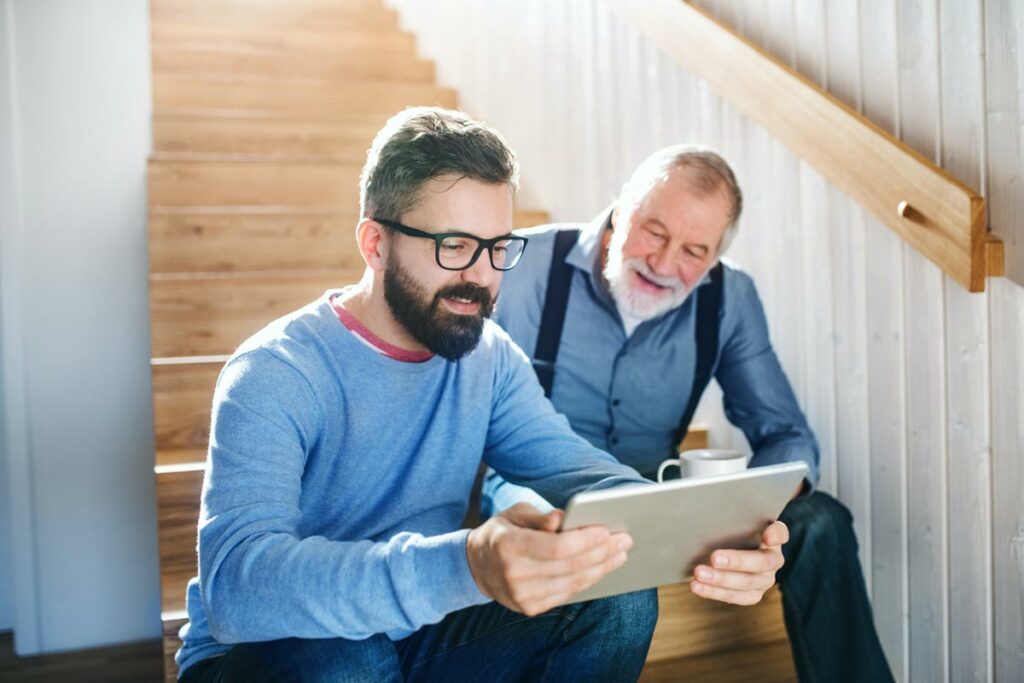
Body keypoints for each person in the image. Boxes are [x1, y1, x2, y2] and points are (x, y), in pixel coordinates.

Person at [173, 108, 789, 682]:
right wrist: (466, 565)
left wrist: (711, 534)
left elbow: (587, 476)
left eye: (497, 249)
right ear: (375, 244)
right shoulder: (276, 372)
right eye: (455, 246)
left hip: (416, 633)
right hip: (264, 654)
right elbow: (238, 589)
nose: (481, 277)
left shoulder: (488, 358)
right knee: (347, 654)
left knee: (616, 595)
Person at [483, 145, 895, 683]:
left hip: (659, 493)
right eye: (654, 231)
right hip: (537, 489)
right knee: (569, 545)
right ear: (620, 207)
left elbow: (784, 433)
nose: (663, 264)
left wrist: (760, 505)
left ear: (715, 257)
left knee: (821, 522)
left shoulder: (730, 296)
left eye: (693, 252)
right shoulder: (523, 264)